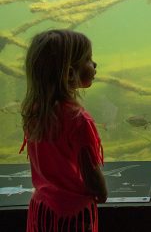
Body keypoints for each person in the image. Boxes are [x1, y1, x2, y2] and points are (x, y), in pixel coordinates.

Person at [19, 29, 107, 232]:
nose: (94, 65)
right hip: (73, 217)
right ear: (69, 73)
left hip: (42, 210)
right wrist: (102, 192)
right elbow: (91, 173)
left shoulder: (34, 113)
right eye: (88, 59)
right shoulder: (79, 120)